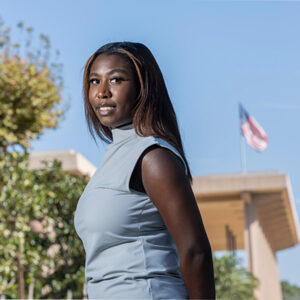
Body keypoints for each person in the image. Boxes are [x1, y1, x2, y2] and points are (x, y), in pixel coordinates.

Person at [74, 42, 215, 299]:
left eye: (116, 80)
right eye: (94, 81)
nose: (102, 92)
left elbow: (195, 251)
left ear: (143, 88)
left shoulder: (153, 157)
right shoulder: (113, 159)